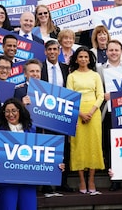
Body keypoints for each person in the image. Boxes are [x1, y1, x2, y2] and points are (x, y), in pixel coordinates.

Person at [97, 39, 122, 192]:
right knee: (110, 145)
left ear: (121, 52)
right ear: (106, 52)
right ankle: (114, 178)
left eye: (116, 50)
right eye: (111, 50)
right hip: (109, 111)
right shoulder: (100, 69)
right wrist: (103, 95)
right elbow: (96, 88)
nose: (113, 53)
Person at [0, 98, 38, 210]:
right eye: (7, 111)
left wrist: (55, 164)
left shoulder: (31, 129)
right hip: (6, 181)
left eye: (14, 111)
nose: (10, 114)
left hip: (27, 180)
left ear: (20, 111)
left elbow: (39, 153)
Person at [67, 46, 105, 195]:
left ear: (90, 59)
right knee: (79, 145)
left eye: (86, 57)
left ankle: (91, 179)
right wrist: (81, 113)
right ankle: (82, 179)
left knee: (94, 144)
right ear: (76, 59)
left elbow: (101, 95)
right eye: (80, 57)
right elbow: (69, 97)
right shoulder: (72, 76)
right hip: (77, 112)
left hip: (93, 112)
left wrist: (91, 112)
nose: (83, 59)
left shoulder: (95, 75)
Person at [40, 40, 73, 194]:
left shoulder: (66, 69)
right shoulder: (39, 68)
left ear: (59, 51)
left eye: (55, 49)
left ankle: (62, 182)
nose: (52, 52)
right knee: (47, 148)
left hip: (62, 115)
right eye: (50, 49)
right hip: (44, 114)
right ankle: (47, 183)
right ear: (45, 52)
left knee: (63, 149)